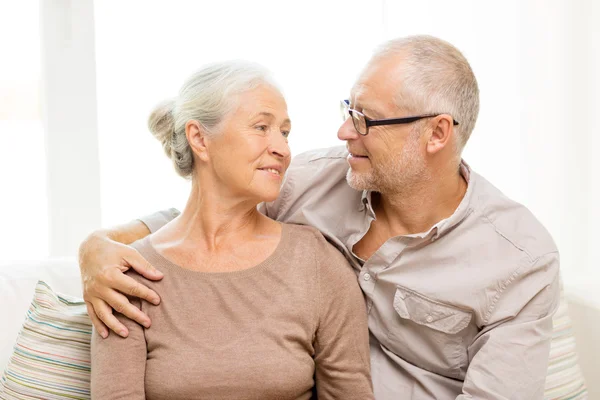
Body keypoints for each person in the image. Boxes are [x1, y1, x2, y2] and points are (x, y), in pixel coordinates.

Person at [82, 36, 560, 399]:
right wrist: (98, 246)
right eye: (349, 108)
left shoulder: (519, 261)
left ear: (436, 134)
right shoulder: (311, 181)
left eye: (366, 119)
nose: (343, 130)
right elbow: (211, 218)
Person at [89, 61, 374, 400]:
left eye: (284, 132)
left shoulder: (317, 262)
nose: (282, 149)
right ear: (199, 138)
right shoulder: (127, 276)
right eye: (261, 127)